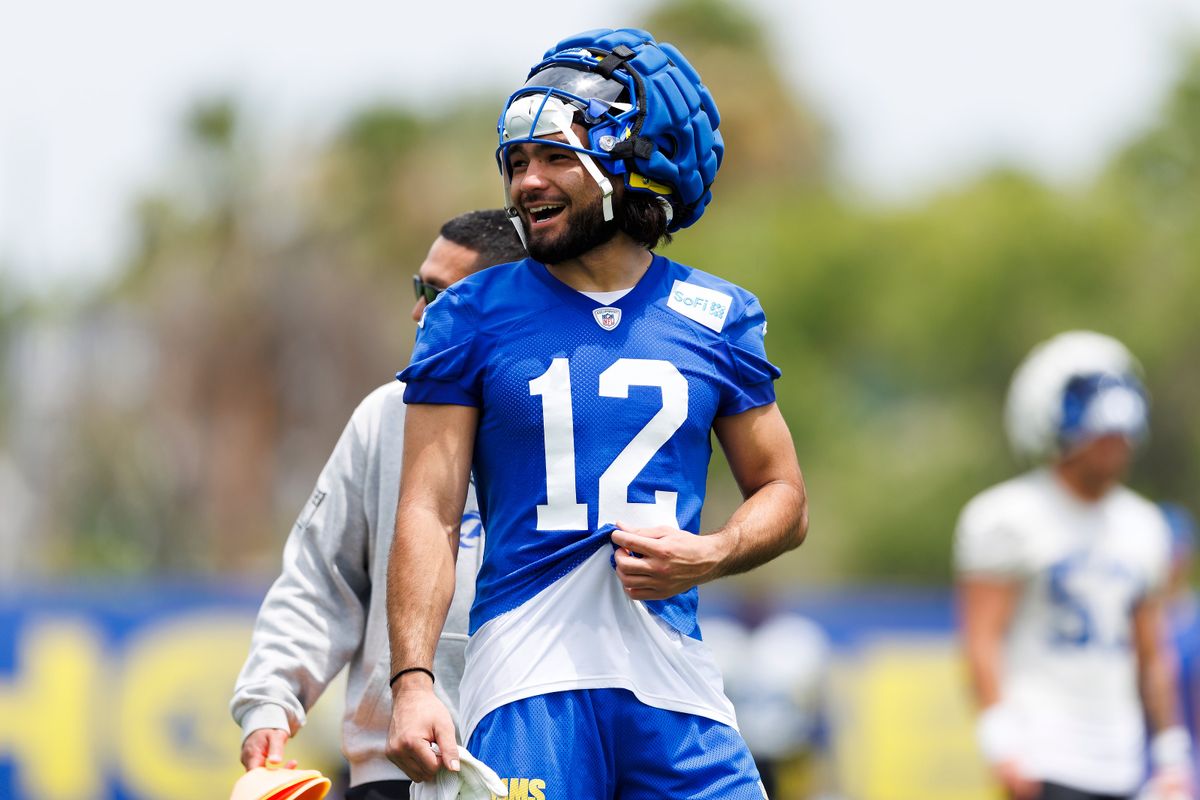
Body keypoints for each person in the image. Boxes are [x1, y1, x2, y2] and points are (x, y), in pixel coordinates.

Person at [385, 28, 808, 799]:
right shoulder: (470, 314)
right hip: (526, 684)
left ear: (634, 158)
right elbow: (428, 509)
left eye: (552, 157)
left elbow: (784, 494)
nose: (525, 182)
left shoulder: (716, 314)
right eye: (516, 162)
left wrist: (712, 553)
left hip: (675, 686)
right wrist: (413, 680)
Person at [229, 209, 526, 800]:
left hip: (530, 764)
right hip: (392, 770)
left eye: (438, 295)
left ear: (509, 302)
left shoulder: (569, 415)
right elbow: (319, 578)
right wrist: (270, 700)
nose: (418, 310)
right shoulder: (385, 415)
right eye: (419, 288)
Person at [955, 330, 1193, 800]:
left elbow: (1152, 653)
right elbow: (981, 640)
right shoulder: (1007, 517)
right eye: (1101, 433)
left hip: (1122, 758)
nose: (1115, 443)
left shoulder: (1143, 525)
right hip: (1046, 754)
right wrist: (1001, 742)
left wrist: (1171, 753)